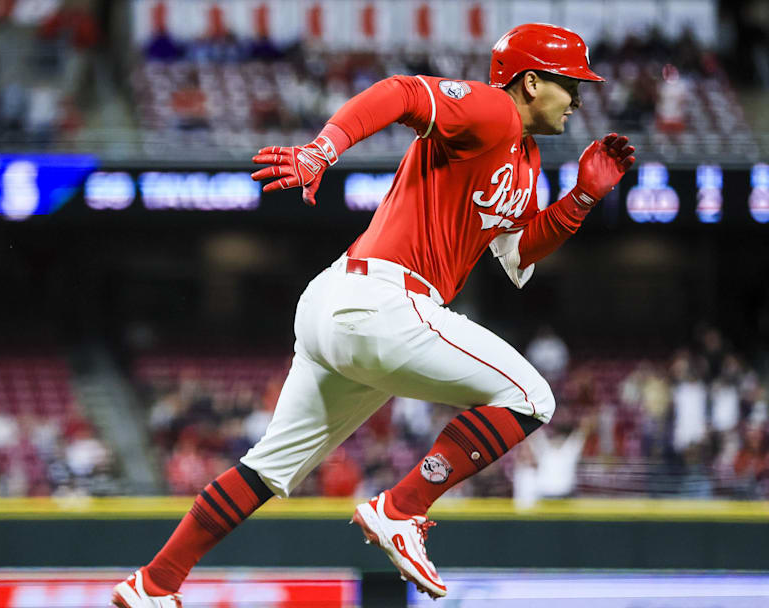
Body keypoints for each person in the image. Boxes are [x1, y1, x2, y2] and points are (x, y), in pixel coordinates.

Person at [112, 23, 635, 607]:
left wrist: (581, 199)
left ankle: (155, 583)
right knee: (532, 398)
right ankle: (402, 509)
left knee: (266, 470)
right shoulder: (493, 110)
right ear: (531, 82)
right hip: (383, 301)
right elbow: (401, 92)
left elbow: (517, 252)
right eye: (571, 84)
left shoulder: (526, 156)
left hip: (343, 305)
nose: (579, 99)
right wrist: (322, 149)